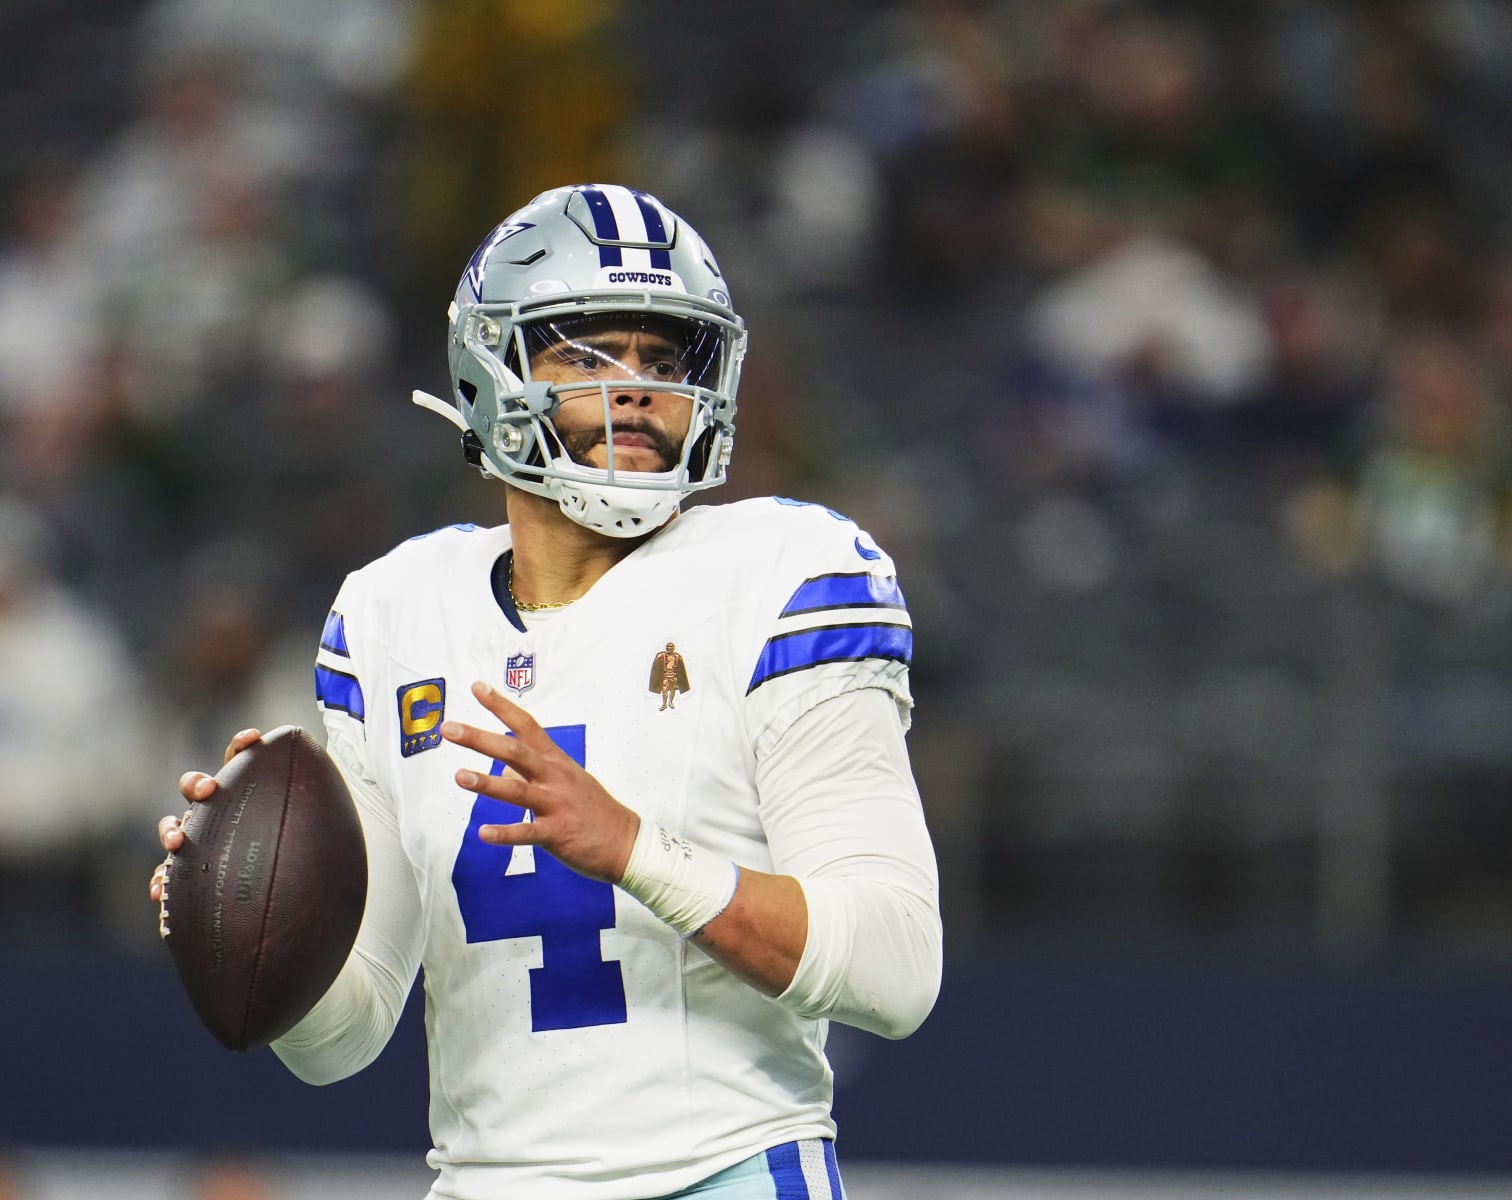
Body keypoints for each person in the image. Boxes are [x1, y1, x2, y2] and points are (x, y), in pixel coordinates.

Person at [152, 183, 942, 1199]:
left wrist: (634, 852)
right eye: (591, 355)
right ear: (492, 370)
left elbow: (894, 966)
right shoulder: (396, 613)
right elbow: (345, 1035)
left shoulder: (785, 572)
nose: (641, 390)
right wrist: (244, 930)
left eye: (664, 360)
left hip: (725, 1172)